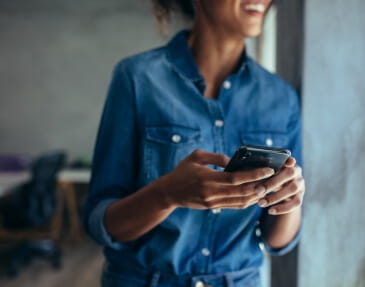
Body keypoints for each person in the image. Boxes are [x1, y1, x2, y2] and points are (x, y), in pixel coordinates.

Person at [84, 0, 305, 286]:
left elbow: (278, 241)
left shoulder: (281, 98)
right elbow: (102, 222)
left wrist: (290, 199)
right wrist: (166, 194)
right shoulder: (137, 78)